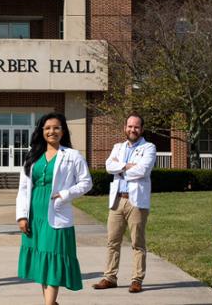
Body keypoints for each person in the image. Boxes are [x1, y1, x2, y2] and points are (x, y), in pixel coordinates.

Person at [16, 112, 93, 305]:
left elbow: (86, 183)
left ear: (63, 130)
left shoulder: (72, 155)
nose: (52, 131)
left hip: (57, 213)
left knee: (52, 259)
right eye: (48, 128)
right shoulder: (32, 156)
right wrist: (21, 216)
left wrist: (66, 194)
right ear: (41, 131)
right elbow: (24, 189)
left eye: (56, 128)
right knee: (42, 261)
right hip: (35, 214)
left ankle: (49, 304)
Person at [92, 113, 156, 293]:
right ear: (125, 128)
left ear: (141, 129)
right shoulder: (117, 147)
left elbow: (143, 170)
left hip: (136, 202)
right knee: (112, 241)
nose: (132, 129)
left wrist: (119, 168)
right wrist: (127, 166)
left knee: (138, 242)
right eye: (129, 126)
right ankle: (110, 277)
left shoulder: (149, 147)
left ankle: (137, 279)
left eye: (136, 127)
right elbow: (108, 166)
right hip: (117, 200)